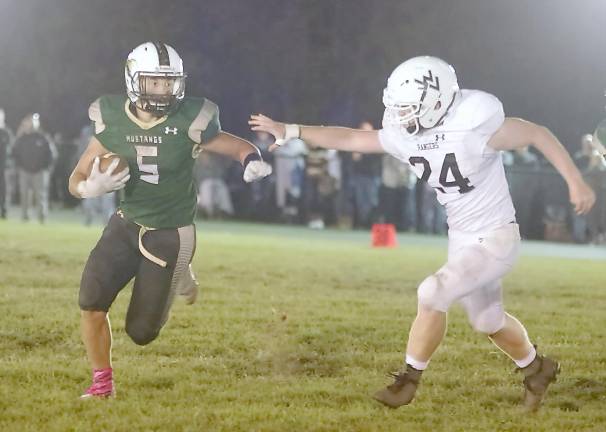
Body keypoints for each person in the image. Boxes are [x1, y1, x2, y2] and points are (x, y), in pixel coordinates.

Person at [249, 56, 595, 411]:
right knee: (487, 320)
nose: (402, 117)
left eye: (409, 109)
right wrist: (291, 130)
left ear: (437, 101)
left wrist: (575, 180)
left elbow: (537, 133)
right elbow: (352, 138)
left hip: (496, 236)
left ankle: (409, 380)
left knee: (432, 292)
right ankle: (537, 368)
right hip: (461, 237)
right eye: (398, 109)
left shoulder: (473, 124)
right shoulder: (406, 136)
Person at [68, 41, 272, 398]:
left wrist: (251, 160)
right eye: (154, 82)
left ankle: (181, 270)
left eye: (169, 83)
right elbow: (76, 177)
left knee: (142, 333)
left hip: (171, 233)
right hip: (126, 222)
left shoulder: (189, 120)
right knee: (91, 301)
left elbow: (238, 146)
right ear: (134, 80)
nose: (163, 91)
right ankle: (102, 384)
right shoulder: (111, 116)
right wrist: (90, 187)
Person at [12, 113, 56, 223]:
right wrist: (19, 166)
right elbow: (14, 153)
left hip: (40, 172)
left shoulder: (43, 137)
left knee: (40, 196)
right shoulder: (21, 138)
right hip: (24, 171)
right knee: (24, 195)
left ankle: (42, 218)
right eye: (28, 122)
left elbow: (52, 154)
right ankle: (25, 217)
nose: (30, 124)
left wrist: (46, 168)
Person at [0, 108, 14, 219]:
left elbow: (12, 151)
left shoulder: (7, 133)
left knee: (4, 191)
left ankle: (4, 211)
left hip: (4, 168)